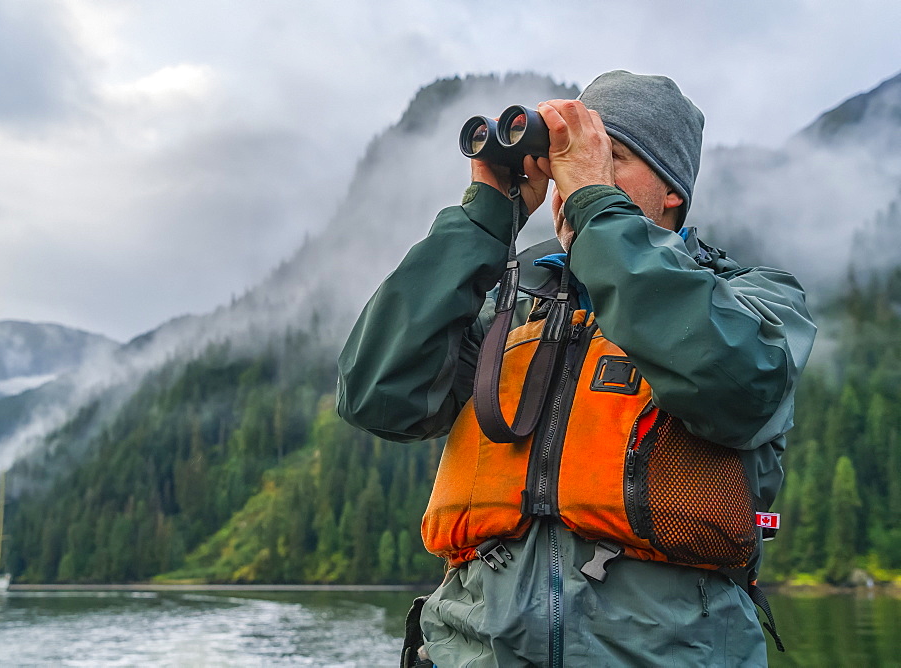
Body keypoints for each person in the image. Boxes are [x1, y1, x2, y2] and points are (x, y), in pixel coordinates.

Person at [337, 71, 816, 667]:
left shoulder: (753, 300)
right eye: (569, 162)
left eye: (609, 157)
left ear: (673, 192)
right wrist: (484, 221)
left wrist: (598, 210)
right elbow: (378, 397)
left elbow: (738, 385)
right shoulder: (506, 310)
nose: (575, 178)